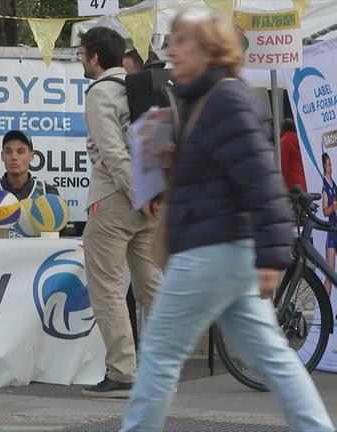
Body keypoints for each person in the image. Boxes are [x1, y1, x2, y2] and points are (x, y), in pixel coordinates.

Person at [121, 9, 333, 431]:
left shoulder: (224, 99)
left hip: (208, 253)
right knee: (272, 355)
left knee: (160, 355)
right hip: (223, 252)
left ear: (206, 47)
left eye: (181, 41)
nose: (171, 49)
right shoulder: (207, 99)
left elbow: (261, 181)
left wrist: (273, 257)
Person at [77, 27, 162, 397]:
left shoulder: (100, 93)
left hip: (116, 198)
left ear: (95, 56)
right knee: (153, 288)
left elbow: (112, 154)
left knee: (108, 288)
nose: (81, 59)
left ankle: (123, 371)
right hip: (151, 197)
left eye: (82, 53)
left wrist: (136, 191)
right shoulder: (136, 88)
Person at [0, 130, 59, 237]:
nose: (14, 157)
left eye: (20, 152)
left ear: (31, 156)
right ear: (2, 156)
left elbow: (58, 239)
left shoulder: (47, 194)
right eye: (8, 152)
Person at [322, 153, 337, 296]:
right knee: (330, 273)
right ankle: (325, 309)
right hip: (332, 231)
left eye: (331, 164)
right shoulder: (325, 185)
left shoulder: (334, 184)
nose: (330, 167)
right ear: (324, 166)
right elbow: (325, 211)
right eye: (328, 164)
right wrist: (332, 208)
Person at [280, 119, 306, 192]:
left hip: (291, 184)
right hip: (303, 181)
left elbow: (282, 167)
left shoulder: (285, 141)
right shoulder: (300, 141)